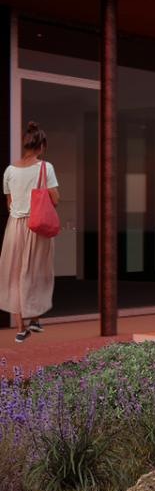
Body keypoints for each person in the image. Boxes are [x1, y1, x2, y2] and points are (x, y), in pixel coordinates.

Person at [1, 122, 58, 343]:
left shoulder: (9, 170)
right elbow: (54, 198)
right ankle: (35, 317)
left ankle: (20, 328)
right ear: (41, 146)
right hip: (36, 227)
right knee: (36, 271)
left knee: (15, 274)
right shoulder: (46, 167)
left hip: (14, 228)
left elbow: (9, 202)